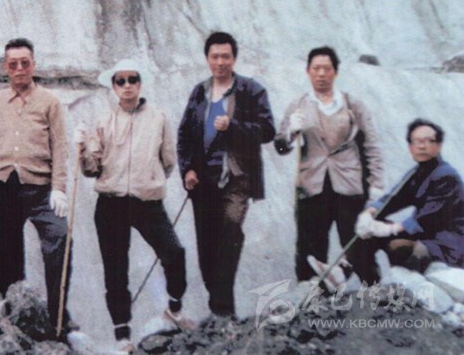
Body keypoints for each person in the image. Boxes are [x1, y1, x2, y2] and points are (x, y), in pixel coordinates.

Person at [0, 38, 76, 338]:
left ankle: (58, 317)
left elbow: (60, 147)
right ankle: (13, 316)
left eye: (25, 63)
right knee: (7, 252)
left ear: (33, 65)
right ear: (6, 68)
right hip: (3, 187)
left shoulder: (50, 102)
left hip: (41, 189)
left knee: (60, 241)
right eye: (13, 64)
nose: (19, 69)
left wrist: (59, 188)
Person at [77, 59, 192, 353]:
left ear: (140, 83)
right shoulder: (103, 121)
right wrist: (82, 149)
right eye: (121, 81)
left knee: (174, 253)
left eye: (132, 79)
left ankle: (174, 308)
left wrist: (148, 181)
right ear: (113, 86)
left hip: (147, 203)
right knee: (116, 270)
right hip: (111, 203)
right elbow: (91, 169)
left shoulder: (158, 118)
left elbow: (168, 160)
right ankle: (122, 336)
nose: (127, 86)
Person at [177, 31, 275, 317]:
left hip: (237, 179)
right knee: (206, 248)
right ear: (207, 59)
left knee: (230, 233)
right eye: (215, 56)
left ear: (234, 58)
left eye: (226, 56)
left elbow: (267, 130)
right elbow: (184, 135)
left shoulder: (251, 91)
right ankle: (219, 310)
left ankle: (223, 309)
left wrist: (233, 126)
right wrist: (188, 169)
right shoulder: (199, 92)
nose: (220, 62)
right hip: (203, 181)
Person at [274, 46, 385, 284]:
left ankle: (375, 293)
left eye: (327, 68)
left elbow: (371, 145)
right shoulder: (298, 105)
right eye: (316, 69)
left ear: (336, 72)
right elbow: (280, 146)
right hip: (311, 185)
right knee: (310, 249)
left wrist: (376, 184)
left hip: (349, 184)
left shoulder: (353, 105)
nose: (321, 74)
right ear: (308, 72)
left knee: (357, 244)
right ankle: (312, 297)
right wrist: (291, 132)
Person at [352, 119, 464, 272]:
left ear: (438, 146)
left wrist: (390, 229)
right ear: (410, 147)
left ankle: (395, 282)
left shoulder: (446, 176)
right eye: (416, 141)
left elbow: (427, 219)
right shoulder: (416, 173)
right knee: (366, 233)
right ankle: (353, 275)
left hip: (447, 244)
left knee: (397, 247)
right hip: (426, 236)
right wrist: (369, 213)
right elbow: (392, 199)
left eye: (429, 141)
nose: (422, 146)